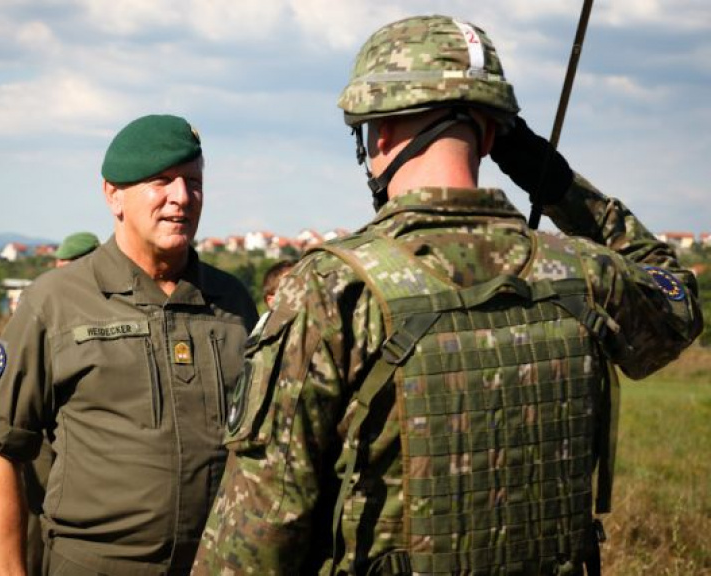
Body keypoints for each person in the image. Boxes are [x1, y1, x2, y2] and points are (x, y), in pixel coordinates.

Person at [193, 15, 703, 575]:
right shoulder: (584, 272)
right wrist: (558, 185)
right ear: (491, 137)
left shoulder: (331, 288)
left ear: (379, 133)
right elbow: (677, 296)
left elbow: (257, 535)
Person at [0, 114, 258, 576]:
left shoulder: (232, 303)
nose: (182, 197)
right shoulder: (56, 302)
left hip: (215, 562)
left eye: (193, 182)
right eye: (161, 181)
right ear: (113, 195)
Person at [21, 230, 101, 576]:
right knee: (38, 513)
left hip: (83, 439)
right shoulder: (43, 300)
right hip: (42, 431)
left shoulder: (104, 302)